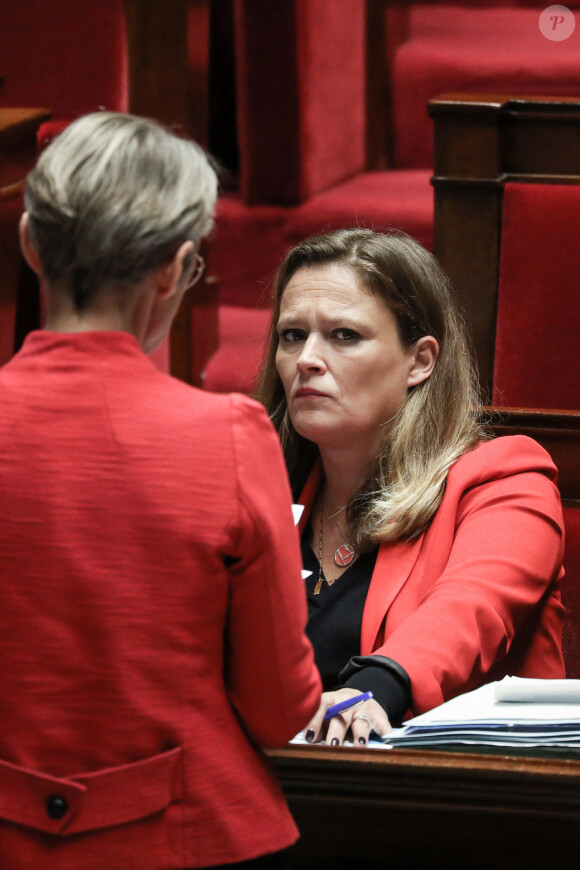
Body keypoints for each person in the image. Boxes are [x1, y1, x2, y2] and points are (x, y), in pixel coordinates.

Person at [0, 112, 321, 870]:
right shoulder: (228, 435)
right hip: (189, 839)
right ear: (175, 269)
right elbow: (282, 711)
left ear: (30, 246)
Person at [257, 227, 565, 746]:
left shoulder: (506, 482)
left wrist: (377, 686)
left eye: (344, 335)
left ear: (420, 361)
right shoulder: (260, 484)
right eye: (292, 335)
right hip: (280, 785)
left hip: (454, 800)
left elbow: (469, 613)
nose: (307, 358)